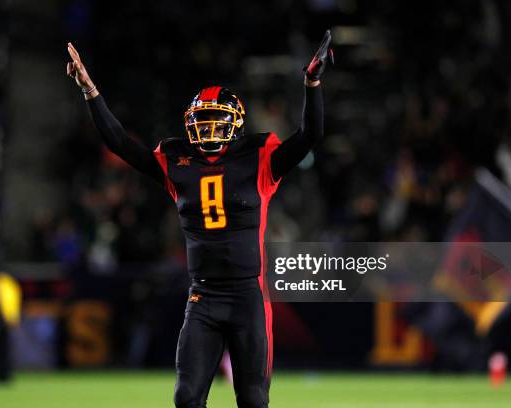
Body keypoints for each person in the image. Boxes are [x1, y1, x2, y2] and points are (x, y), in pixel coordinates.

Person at [66, 30, 332, 408]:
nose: (208, 128)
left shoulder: (260, 156)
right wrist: (90, 91)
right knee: (186, 397)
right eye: (202, 120)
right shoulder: (176, 161)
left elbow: (311, 135)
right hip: (203, 296)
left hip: (248, 296)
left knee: (253, 400)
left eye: (217, 120)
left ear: (236, 123)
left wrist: (312, 82)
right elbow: (121, 144)